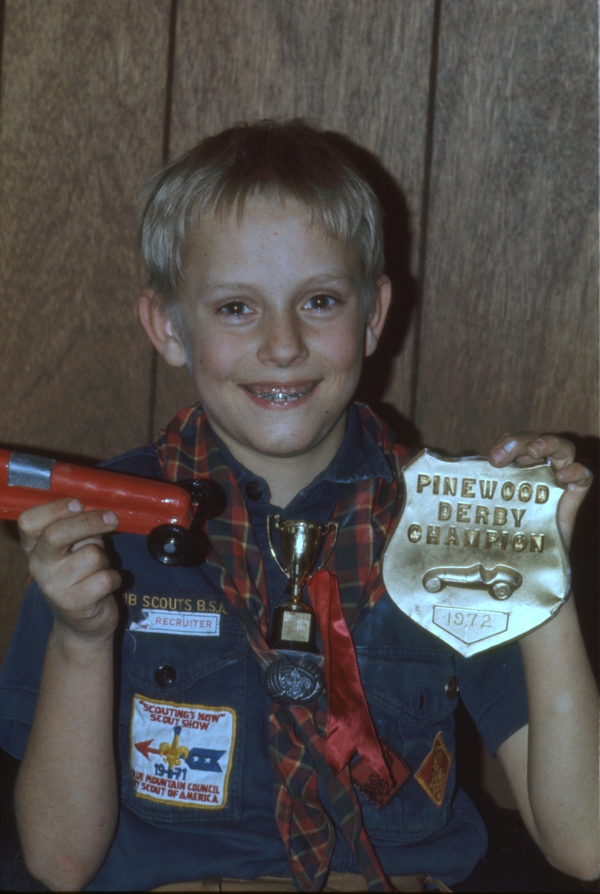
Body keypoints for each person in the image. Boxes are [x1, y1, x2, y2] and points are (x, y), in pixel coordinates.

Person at [0, 121, 597, 893]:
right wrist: (84, 641)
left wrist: (542, 578)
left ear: (374, 315)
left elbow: (579, 841)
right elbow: (59, 862)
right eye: (236, 309)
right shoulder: (103, 531)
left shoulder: (451, 525)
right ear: (168, 327)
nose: (282, 345)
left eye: (318, 301)